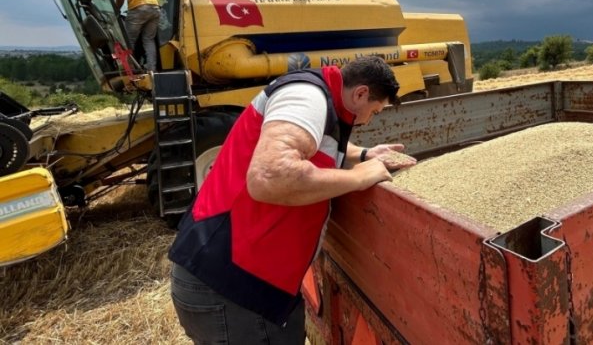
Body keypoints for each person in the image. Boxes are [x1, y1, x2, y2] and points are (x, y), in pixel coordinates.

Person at [168, 55, 416, 344]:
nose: (369, 119)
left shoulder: (321, 101)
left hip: (240, 283)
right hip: (232, 289)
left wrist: (363, 154)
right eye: (373, 111)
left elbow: (316, 143)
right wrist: (360, 177)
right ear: (360, 93)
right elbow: (270, 176)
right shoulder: (307, 98)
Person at [107, 0, 161, 71]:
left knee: (128, 40)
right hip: (155, 7)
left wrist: (115, 10)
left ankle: (129, 69)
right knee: (148, 39)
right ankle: (151, 69)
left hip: (138, 7)